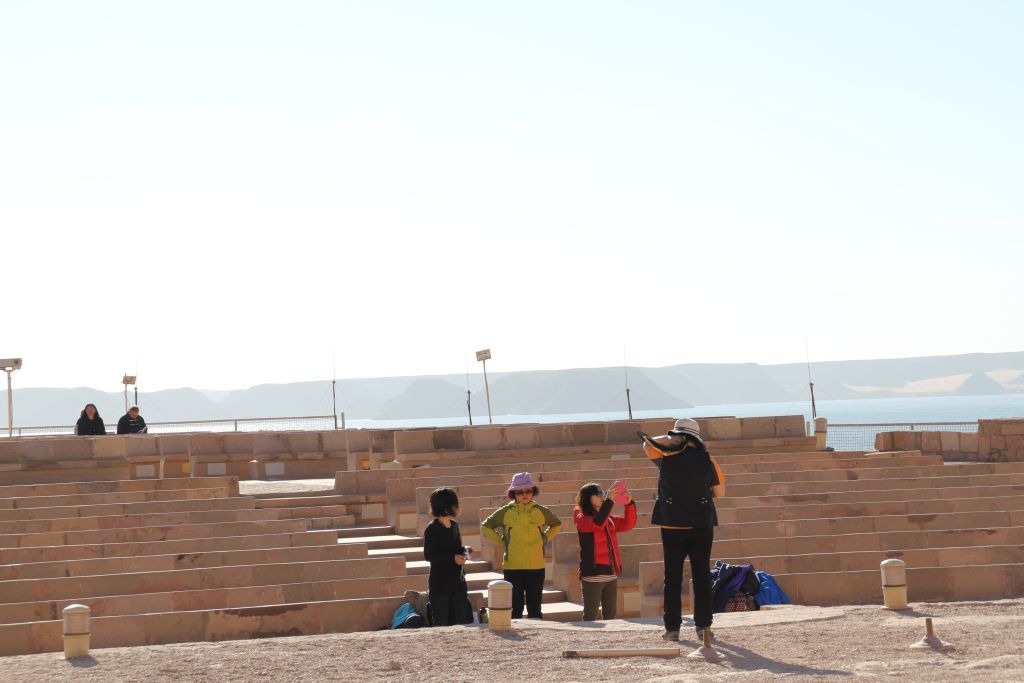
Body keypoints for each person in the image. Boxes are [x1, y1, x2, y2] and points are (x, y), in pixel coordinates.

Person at [639, 418, 726, 642]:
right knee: (701, 577)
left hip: (672, 525)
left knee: (672, 578)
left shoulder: (665, 456)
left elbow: (647, 444)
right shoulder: (707, 458)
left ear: (678, 436)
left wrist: (671, 438)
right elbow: (720, 492)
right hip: (701, 524)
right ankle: (703, 627)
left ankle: (672, 629)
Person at [481, 472, 562, 619]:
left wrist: (544, 538)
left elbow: (556, 524)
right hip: (513, 567)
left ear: (533, 492)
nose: (525, 494)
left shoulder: (541, 510)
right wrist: (502, 541)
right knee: (515, 608)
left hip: (536, 566)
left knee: (535, 608)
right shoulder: (505, 512)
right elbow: (486, 526)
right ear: (513, 493)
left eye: (528, 491)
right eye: (520, 492)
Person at [573, 481, 637, 621]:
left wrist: (629, 504)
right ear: (587, 498)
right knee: (590, 616)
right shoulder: (580, 516)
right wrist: (609, 500)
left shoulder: (608, 518)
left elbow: (628, 524)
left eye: (603, 493)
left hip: (611, 574)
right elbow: (597, 523)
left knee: (610, 617)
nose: (602, 496)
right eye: (598, 494)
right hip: (592, 575)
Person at [423, 488, 472, 626]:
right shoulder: (432, 529)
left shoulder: (455, 526)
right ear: (446, 506)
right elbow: (429, 555)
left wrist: (465, 552)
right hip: (440, 584)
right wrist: (452, 558)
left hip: (458, 583)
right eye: (454, 504)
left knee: (462, 622)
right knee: (442, 625)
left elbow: (456, 549)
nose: (457, 507)